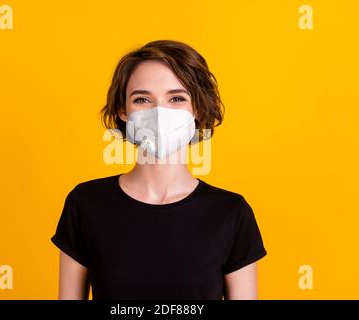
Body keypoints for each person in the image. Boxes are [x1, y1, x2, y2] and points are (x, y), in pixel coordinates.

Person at [51, 39, 267, 300]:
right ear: (123, 110)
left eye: (176, 98)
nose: (159, 112)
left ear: (196, 109)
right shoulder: (85, 204)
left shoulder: (231, 213)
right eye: (142, 99)